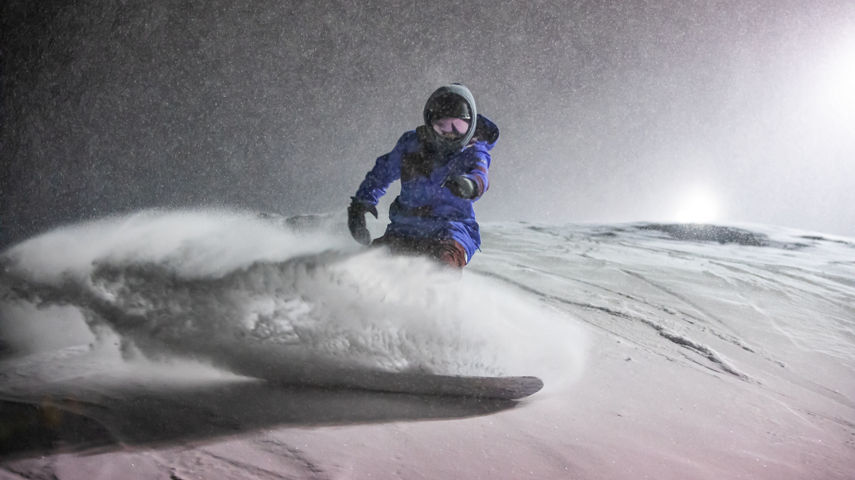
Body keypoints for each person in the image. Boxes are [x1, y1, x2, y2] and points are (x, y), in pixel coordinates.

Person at [347, 84, 499, 268]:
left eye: (459, 126)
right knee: (366, 263)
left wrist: (469, 185)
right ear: (429, 122)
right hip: (405, 228)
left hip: (452, 230)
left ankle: (437, 294)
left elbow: (480, 176)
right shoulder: (411, 145)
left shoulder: (473, 152)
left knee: (445, 264)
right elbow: (382, 173)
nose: (451, 133)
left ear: (471, 125)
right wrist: (361, 203)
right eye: (442, 126)